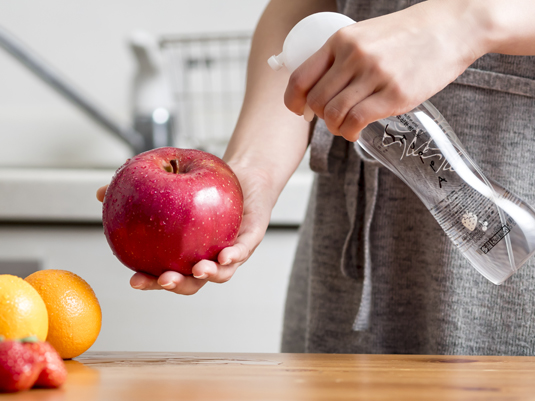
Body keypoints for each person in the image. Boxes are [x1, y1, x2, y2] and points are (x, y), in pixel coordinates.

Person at [97, 0, 535, 355]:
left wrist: (468, 21)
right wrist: (252, 169)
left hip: (511, 194)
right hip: (346, 247)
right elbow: (302, 12)